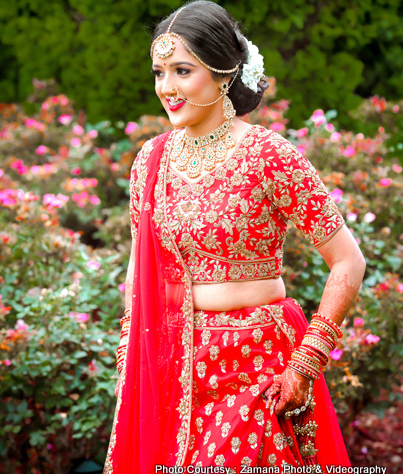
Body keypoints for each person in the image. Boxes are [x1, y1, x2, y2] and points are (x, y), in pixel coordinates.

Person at [103, 2, 366, 472]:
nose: (166, 88)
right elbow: (140, 266)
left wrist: (306, 362)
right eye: (159, 73)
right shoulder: (151, 160)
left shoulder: (268, 154)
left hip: (259, 367)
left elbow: (348, 260)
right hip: (174, 367)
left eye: (182, 71)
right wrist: (131, 349)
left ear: (224, 72)